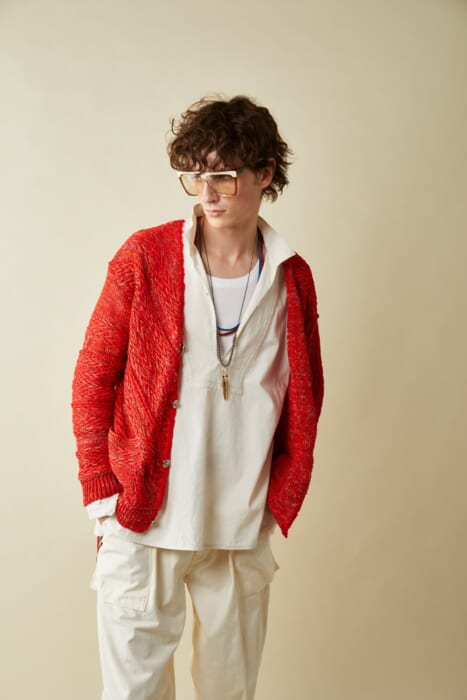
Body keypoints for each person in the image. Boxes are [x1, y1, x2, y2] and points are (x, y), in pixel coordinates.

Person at [72, 94, 324, 700]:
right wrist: (102, 497)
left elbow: (306, 395)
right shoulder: (145, 257)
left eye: (224, 175)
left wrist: (280, 498)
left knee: (229, 694)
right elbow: (92, 377)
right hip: (144, 519)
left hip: (240, 525)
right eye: (195, 175)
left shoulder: (291, 276)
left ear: (264, 174)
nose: (206, 192)